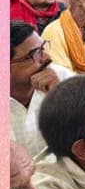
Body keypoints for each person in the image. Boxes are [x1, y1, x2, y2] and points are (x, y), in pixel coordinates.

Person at [11, 21, 74, 157]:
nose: (47, 57)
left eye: (43, 47)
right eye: (35, 53)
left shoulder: (61, 77)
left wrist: (59, 96)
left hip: (61, 168)